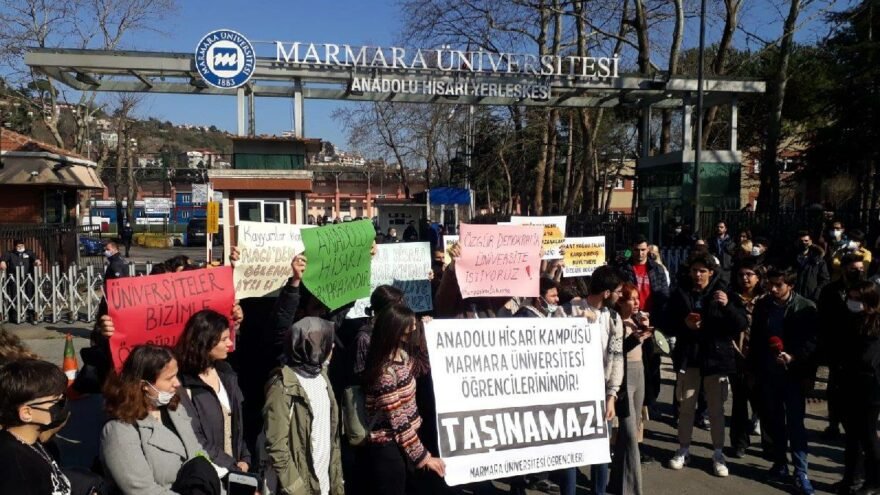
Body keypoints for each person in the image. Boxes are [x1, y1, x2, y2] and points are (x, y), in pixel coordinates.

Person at [666, 252, 748, 477]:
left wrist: (728, 305)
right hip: (689, 358)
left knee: (716, 410)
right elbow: (667, 322)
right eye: (694, 270)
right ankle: (683, 449)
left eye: (702, 270)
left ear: (711, 272)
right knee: (686, 406)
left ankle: (718, 453)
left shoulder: (724, 292)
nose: (698, 274)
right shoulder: (680, 292)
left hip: (716, 359)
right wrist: (684, 323)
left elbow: (740, 323)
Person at [101, 345, 221, 495]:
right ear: (144, 386)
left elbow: (198, 453)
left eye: (176, 375)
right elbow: (142, 490)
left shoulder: (174, 408)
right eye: (169, 378)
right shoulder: (120, 431)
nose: (177, 383)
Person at [749, 267, 818, 495]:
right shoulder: (763, 305)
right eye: (771, 284)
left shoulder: (806, 307)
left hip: (794, 375)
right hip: (769, 374)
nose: (774, 289)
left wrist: (795, 359)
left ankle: (801, 472)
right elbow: (757, 339)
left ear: (790, 285)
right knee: (774, 422)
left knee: (796, 424)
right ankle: (780, 464)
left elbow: (812, 344)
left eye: (779, 285)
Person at [362, 304, 445, 494]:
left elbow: (423, 367)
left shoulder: (403, 357)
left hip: (405, 444)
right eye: (410, 329)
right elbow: (398, 421)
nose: (414, 330)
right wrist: (423, 458)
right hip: (388, 450)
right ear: (396, 331)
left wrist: (427, 333)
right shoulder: (384, 373)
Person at [264, 316, 344, 495]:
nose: (332, 346)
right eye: (324, 340)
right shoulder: (283, 385)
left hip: (324, 484)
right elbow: (277, 446)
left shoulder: (322, 377)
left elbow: (332, 439)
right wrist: (297, 489)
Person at [568, 265, 624, 495]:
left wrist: (611, 396)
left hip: (600, 393)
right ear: (607, 292)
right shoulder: (569, 310)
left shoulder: (613, 317)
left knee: (600, 449)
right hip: (572, 393)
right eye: (618, 291)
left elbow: (617, 356)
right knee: (571, 450)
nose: (620, 296)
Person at [174, 310, 251, 474]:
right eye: (223, 339)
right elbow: (195, 437)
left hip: (235, 473)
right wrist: (231, 466)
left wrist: (245, 458)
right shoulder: (183, 385)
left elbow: (236, 425)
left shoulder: (226, 373)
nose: (230, 343)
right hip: (208, 476)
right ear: (205, 343)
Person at [0, 358, 72, 495]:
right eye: (56, 401)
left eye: (63, 398)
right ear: (27, 413)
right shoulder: (15, 465)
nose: (63, 405)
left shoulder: (31, 439)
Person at [608, 283, 653, 495]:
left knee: (632, 431)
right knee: (628, 433)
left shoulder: (635, 320)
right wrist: (635, 338)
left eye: (637, 298)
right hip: (623, 377)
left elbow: (651, 352)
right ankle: (633, 488)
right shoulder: (614, 320)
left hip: (639, 373)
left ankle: (618, 483)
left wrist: (645, 329)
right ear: (620, 301)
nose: (636, 303)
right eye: (631, 299)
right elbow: (616, 352)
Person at [836, 281, 880, 495]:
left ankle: (874, 480)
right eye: (850, 298)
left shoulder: (876, 323)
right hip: (850, 384)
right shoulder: (852, 319)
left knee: (868, 436)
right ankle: (851, 477)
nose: (852, 302)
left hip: (870, 387)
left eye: (857, 299)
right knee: (852, 435)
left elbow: (868, 358)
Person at [818, 253, 866, 439]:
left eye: (861, 269)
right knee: (836, 386)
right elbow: (823, 318)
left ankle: (855, 423)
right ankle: (834, 423)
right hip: (837, 345)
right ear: (844, 269)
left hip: (860, 345)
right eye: (854, 269)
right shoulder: (831, 291)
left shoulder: (868, 288)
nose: (858, 272)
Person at [728, 259, 766, 458]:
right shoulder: (732, 299)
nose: (745, 278)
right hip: (737, 356)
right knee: (739, 402)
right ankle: (739, 442)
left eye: (749, 274)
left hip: (760, 358)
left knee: (763, 402)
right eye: (741, 274)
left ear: (758, 278)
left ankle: (770, 445)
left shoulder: (766, 300)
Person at [0, 239, 42, 322]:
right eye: (18, 246)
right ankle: (15, 314)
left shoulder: (28, 252)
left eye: (22, 246)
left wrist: (37, 260)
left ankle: (30, 314)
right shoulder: (10, 253)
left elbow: (35, 258)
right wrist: (2, 262)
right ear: (15, 246)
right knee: (15, 296)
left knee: (29, 295)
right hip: (14, 278)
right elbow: (4, 258)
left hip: (27, 278)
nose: (20, 247)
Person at [793, 231, 830, 302]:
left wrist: (817, 293)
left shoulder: (818, 260)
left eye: (806, 241)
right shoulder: (790, 258)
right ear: (796, 242)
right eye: (801, 241)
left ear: (810, 242)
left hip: (811, 298)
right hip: (793, 296)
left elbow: (825, 279)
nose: (803, 243)